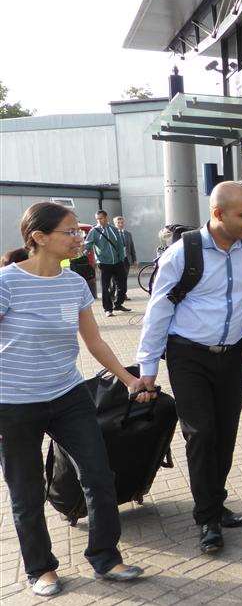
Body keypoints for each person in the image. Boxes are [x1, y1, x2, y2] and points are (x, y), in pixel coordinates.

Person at [135, 182, 242, 554]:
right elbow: (158, 311)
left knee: (225, 433)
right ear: (218, 214)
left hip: (232, 356)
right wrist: (147, 367)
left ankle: (216, 501)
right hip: (188, 356)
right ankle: (207, 519)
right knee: (201, 434)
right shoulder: (184, 253)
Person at [0, 202, 150, 597]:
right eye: (70, 232)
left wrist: (128, 379)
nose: (79, 238)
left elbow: (94, 340)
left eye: (79, 232)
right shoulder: (7, 283)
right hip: (13, 405)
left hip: (68, 396)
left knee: (99, 476)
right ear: (39, 238)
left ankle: (105, 557)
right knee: (26, 490)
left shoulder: (75, 284)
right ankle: (40, 569)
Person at [83, 210, 129, 317]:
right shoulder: (94, 231)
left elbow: (120, 245)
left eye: (101, 218)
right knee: (105, 287)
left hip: (118, 262)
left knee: (122, 285)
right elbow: (88, 244)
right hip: (104, 263)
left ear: (106, 217)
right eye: (97, 219)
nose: (99, 221)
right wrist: (85, 253)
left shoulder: (114, 229)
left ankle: (118, 304)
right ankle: (108, 309)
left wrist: (122, 258)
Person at [113, 216, 138, 301]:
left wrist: (134, 259)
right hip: (116, 260)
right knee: (116, 278)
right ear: (115, 224)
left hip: (126, 259)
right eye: (118, 223)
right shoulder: (113, 233)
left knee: (124, 277)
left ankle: (123, 294)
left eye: (122, 222)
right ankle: (115, 294)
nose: (120, 224)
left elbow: (132, 247)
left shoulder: (128, 234)